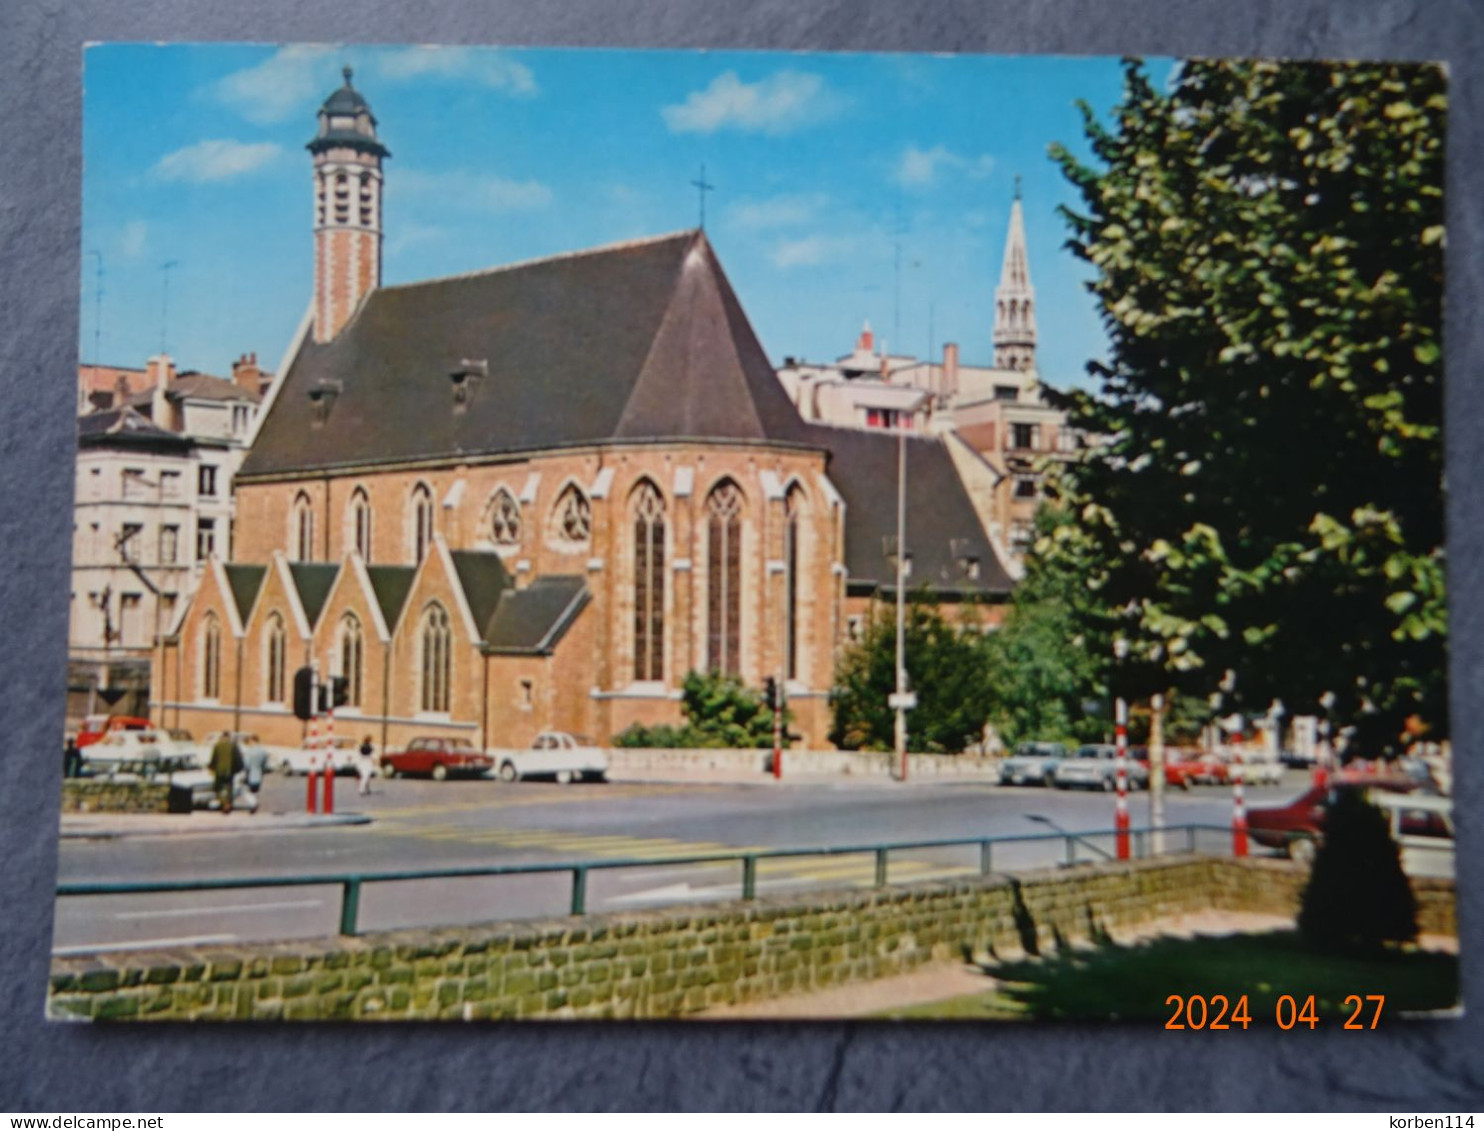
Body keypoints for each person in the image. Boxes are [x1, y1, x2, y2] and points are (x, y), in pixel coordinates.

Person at [210, 731, 243, 815]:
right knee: (229, 787)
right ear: (229, 737)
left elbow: (214, 757)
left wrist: (211, 767)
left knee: (219, 788)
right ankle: (228, 803)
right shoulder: (233, 746)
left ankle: (223, 802)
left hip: (219, 770)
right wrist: (238, 769)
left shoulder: (217, 745)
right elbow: (238, 758)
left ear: (222, 736)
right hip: (230, 770)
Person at [242, 739, 268, 815]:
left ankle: (253, 804)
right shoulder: (263, 751)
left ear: (252, 741)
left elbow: (246, 764)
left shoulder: (249, 751)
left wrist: (244, 773)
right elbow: (265, 764)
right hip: (259, 774)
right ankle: (253, 805)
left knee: (245, 790)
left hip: (250, 774)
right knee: (255, 790)